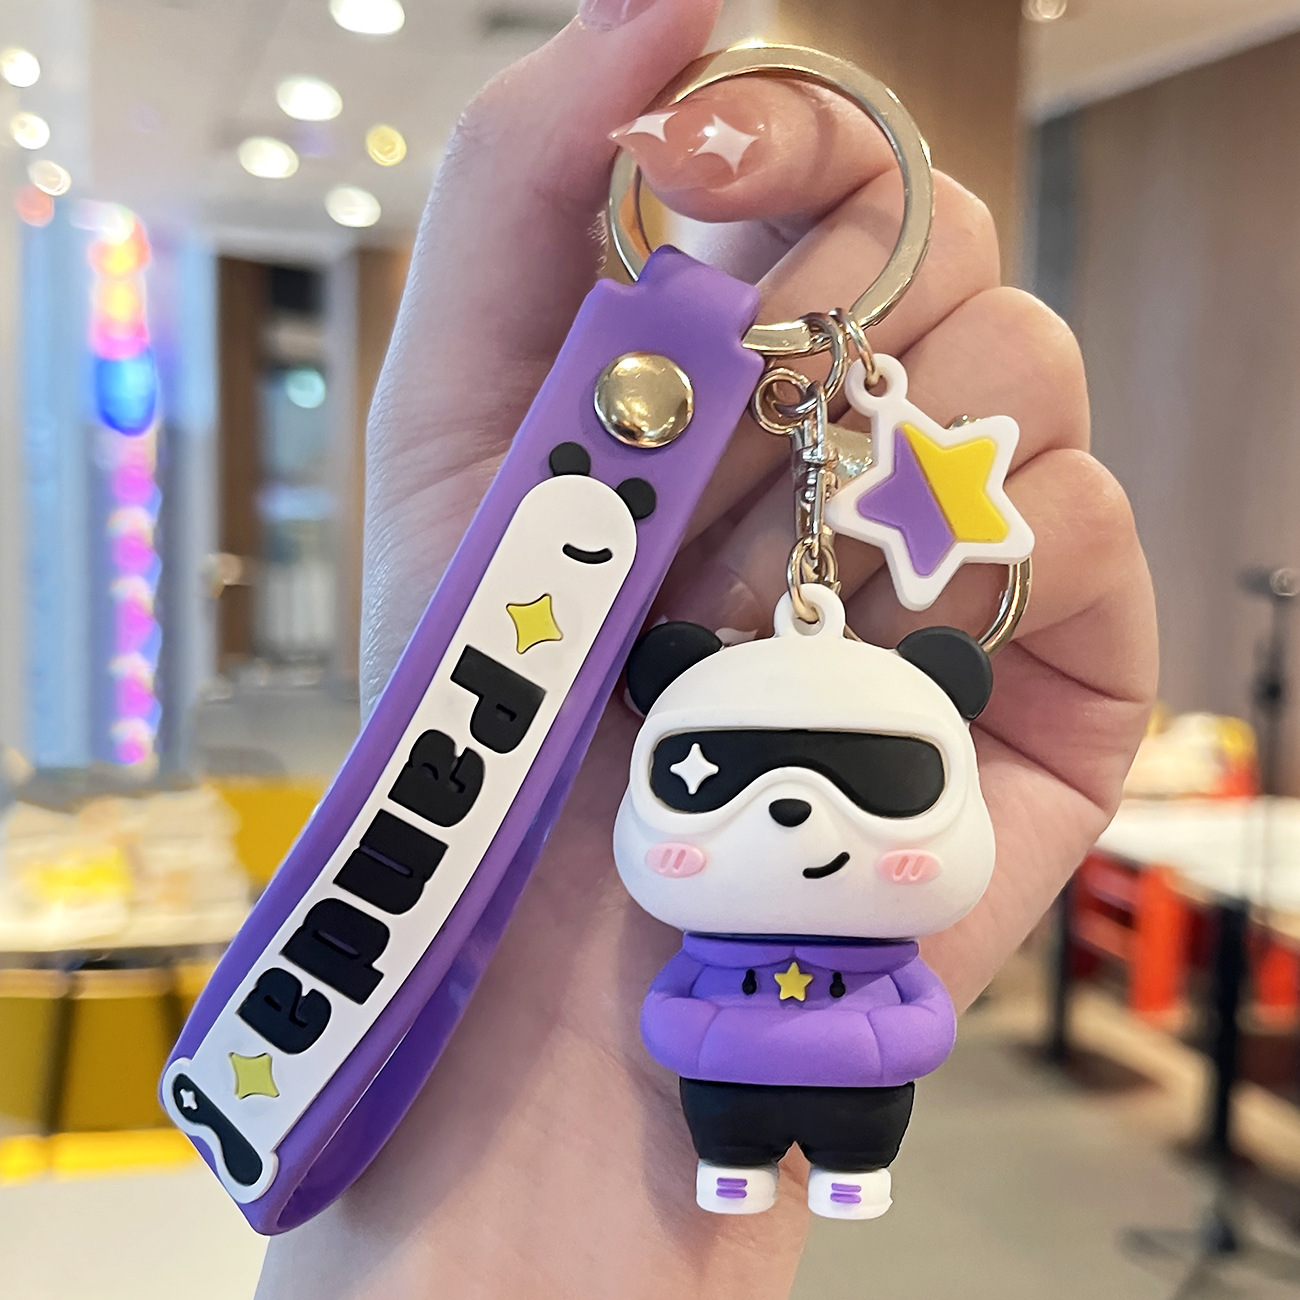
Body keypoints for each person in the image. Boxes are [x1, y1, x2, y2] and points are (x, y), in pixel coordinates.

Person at [256, 0, 1157, 1294]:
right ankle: (741, 1162)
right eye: (712, 776)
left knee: (847, 1144)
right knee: (731, 1135)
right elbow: (684, 1012)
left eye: (880, 779)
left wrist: (866, 1045)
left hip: (830, 1091)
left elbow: (917, 1022)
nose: (792, 811)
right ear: (656, 697)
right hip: (701, 1080)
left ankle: (841, 1167)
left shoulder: (867, 938)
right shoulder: (701, 915)